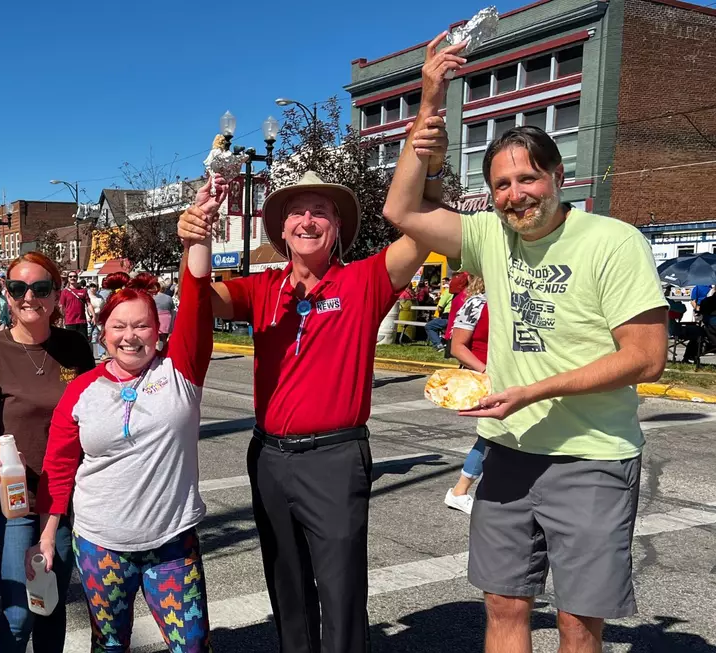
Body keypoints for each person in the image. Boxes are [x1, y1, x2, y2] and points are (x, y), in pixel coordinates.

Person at [383, 32, 668, 653]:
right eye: (503, 185)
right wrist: (431, 97)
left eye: (528, 178)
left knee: (576, 621)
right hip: (508, 451)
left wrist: (534, 390)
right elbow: (403, 210)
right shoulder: (490, 235)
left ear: (557, 175)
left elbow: (646, 356)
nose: (517, 195)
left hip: (592, 455)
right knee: (505, 607)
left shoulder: (612, 241)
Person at [176, 121, 449, 651]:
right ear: (281, 228)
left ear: (336, 226)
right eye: (296, 212)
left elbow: (421, 235)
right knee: (288, 586)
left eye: (320, 210)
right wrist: (197, 239)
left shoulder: (364, 280)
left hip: (335, 457)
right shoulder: (261, 288)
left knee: (342, 589)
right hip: (270, 457)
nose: (307, 220)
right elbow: (202, 304)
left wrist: (431, 172)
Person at [24, 176, 222, 653]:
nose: (130, 336)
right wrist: (48, 535)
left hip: (171, 543)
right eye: (119, 326)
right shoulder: (83, 390)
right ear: (102, 331)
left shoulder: (182, 371)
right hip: (100, 544)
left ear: (159, 330)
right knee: (110, 645)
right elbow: (60, 465)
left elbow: (197, 296)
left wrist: (198, 234)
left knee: (191, 646)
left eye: (142, 325)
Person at [0, 252, 95, 652]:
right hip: (14, 497)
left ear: (56, 295)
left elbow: (91, 411)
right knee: (19, 615)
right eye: (18, 288)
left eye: (40, 288)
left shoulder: (75, 347)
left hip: (64, 497)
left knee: (50, 607)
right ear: (6, 293)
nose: (29, 297)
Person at [442, 275, 489, 515]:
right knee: (491, 437)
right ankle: (459, 491)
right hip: (484, 380)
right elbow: (457, 346)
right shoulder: (477, 303)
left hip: (513, 379)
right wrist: (485, 371)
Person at [58, 271, 91, 339]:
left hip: (82, 321)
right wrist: (61, 320)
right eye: (70, 276)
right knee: (71, 343)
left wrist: (93, 315)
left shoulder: (83, 291)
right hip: (70, 321)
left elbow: (89, 304)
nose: (73, 278)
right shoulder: (64, 292)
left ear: (77, 278)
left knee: (83, 342)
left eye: (74, 276)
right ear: (68, 278)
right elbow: (62, 306)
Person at [153, 280, 176, 349]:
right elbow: (173, 310)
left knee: (157, 338)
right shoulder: (169, 298)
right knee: (164, 338)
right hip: (167, 319)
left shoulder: (154, 298)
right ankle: (164, 351)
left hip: (157, 318)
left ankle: (159, 351)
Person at [87, 283, 105, 359]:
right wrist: (88, 316)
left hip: (99, 318)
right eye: (92, 286)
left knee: (100, 335)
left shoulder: (100, 297)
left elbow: (103, 306)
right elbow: (86, 307)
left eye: (95, 286)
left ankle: (102, 354)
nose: (93, 288)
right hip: (90, 318)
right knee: (89, 336)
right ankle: (89, 353)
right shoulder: (87, 296)